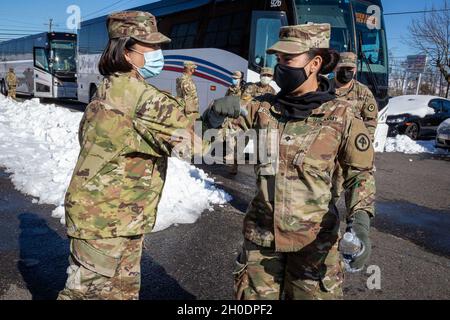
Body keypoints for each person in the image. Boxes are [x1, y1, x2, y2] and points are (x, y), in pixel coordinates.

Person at [57, 11, 238, 300]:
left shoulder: (112, 86)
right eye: (150, 47)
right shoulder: (139, 96)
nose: (158, 53)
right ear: (126, 52)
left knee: (120, 295)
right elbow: (198, 145)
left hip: (113, 217)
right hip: (106, 224)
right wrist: (215, 117)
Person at [208, 23, 376, 300]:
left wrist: (360, 224)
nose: (280, 67)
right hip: (261, 243)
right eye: (278, 60)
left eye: (289, 59)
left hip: (314, 245)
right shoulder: (261, 108)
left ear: (314, 63)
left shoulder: (342, 116)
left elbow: (360, 174)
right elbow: (213, 144)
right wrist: (213, 118)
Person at [331, 52, 379, 204]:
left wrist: (363, 143)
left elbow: (371, 120)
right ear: (335, 69)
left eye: (350, 69)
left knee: (341, 188)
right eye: (342, 68)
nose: (346, 72)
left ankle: (333, 221)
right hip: (324, 145)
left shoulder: (363, 92)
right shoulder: (323, 87)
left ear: (355, 70)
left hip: (348, 148)